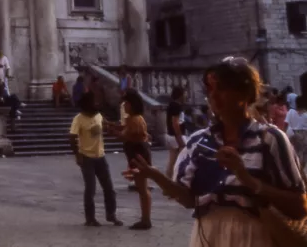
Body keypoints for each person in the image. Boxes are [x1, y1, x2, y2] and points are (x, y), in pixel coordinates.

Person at [132, 57, 307, 246]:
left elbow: (299, 206)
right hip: (208, 236)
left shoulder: (270, 140)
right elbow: (190, 200)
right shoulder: (198, 142)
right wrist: (156, 176)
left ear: (245, 93)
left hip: (254, 236)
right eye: (210, 89)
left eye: (222, 88)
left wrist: (248, 180)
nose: (213, 96)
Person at [69, 91, 121, 228]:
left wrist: (115, 127)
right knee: (91, 189)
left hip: (100, 156)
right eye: (95, 102)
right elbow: (71, 137)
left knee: (109, 188)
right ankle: (90, 218)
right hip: (87, 157)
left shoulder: (98, 115)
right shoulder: (78, 119)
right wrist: (77, 154)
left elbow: (105, 123)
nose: (97, 104)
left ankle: (111, 214)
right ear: (88, 104)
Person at [111, 90, 151, 230]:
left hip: (139, 155)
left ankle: (146, 219)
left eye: (126, 103)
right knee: (141, 188)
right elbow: (124, 129)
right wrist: (112, 126)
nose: (125, 106)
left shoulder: (136, 120)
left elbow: (126, 136)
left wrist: (113, 132)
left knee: (142, 188)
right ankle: (145, 218)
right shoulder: (134, 118)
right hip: (136, 154)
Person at [165, 86, 187, 177]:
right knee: (176, 161)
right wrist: (180, 139)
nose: (186, 95)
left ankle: (168, 183)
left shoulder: (172, 105)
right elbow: (175, 123)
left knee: (172, 161)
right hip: (176, 136)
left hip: (172, 135)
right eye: (184, 93)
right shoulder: (176, 106)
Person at [287, 95, 307, 166]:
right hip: (304, 136)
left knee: (296, 155)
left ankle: (298, 170)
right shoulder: (306, 114)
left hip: (293, 135)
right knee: (304, 155)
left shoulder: (290, 112)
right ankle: (301, 170)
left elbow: (286, 124)